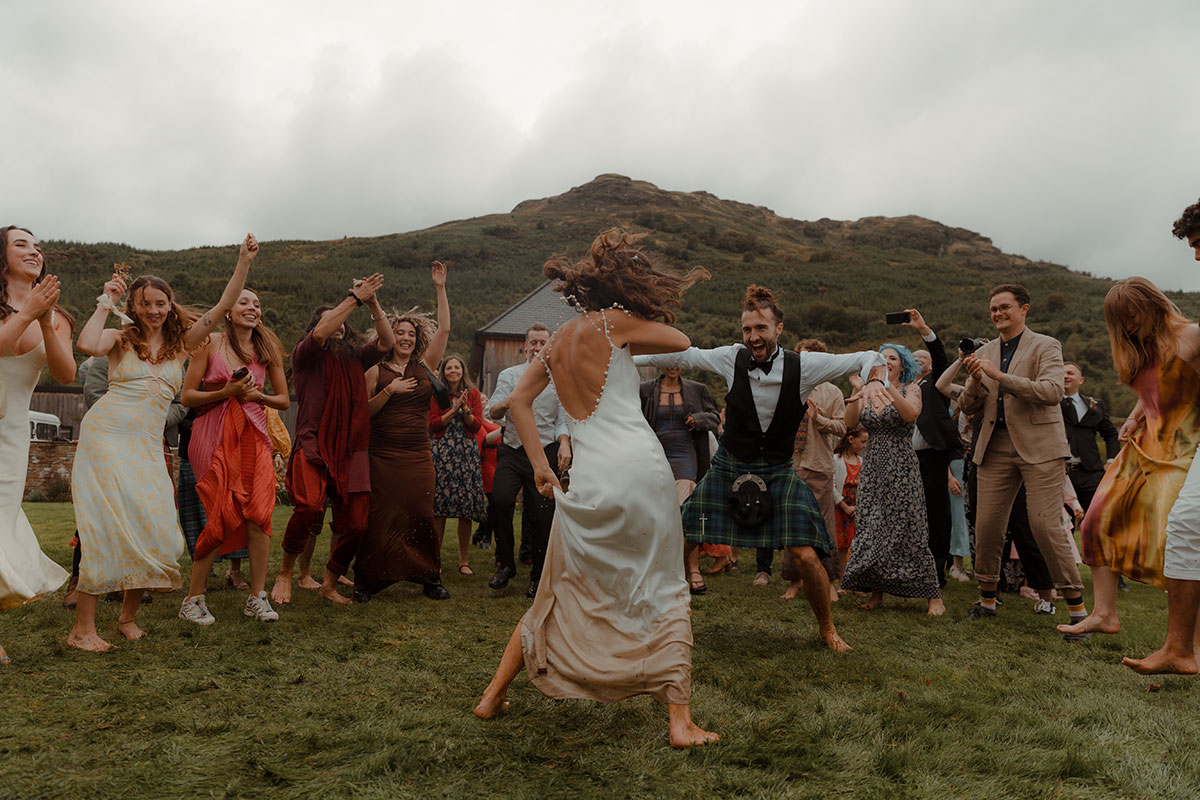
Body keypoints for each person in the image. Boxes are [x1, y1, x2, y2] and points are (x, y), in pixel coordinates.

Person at [474, 229, 718, 748]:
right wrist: (634, 320)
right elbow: (679, 343)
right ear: (620, 288)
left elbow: (517, 402)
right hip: (640, 470)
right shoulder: (615, 325)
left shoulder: (557, 342)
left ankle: (492, 695)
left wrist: (541, 467)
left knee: (555, 591)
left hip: (586, 478)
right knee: (663, 585)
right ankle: (680, 722)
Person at [634, 284, 889, 652]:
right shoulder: (729, 358)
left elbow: (869, 354)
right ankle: (655, 623)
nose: (753, 337)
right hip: (729, 464)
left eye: (761, 329)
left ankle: (828, 630)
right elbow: (682, 355)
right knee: (682, 535)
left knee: (805, 554)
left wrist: (875, 380)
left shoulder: (806, 367)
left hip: (778, 469)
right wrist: (622, 356)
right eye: (747, 330)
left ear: (779, 328)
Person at [69, 234, 259, 652]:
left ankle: (127, 617)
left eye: (161, 303)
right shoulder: (120, 339)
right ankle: (82, 629)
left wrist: (243, 261)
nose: (153, 310)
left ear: (170, 306)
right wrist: (106, 301)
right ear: (134, 307)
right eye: (145, 303)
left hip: (146, 445)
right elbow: (85, 344)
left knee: (153, 526)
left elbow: (222, 308)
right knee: (103, 529)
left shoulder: (183, 346)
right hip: (105, 439)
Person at [1056, 277, 1200, 661]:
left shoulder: (1193, 337)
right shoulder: (1142, 347)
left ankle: (1189, 644)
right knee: (1096, 521)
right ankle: (1104, 614)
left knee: (1177, 541)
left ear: (1152, 303)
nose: (1128, 326)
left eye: (1131, 316)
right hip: (1142, 447)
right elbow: (1151, 391)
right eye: (1119, 321)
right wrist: (1135, 418)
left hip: (1183, 452)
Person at [955, 284, 1090, 635]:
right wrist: (974, 381)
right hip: (994, 445)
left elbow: (1051, 391)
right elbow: (968, 405)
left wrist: (1001, 377)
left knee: (1044, 524)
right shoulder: (985, 351)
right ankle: (987, 601)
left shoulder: (1046, 345)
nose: (997, 314)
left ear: (1024, 309)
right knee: (986, 526)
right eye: (993, 309)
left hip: (1040, 446)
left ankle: (1078, 611)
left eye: (1004, 307)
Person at [270, 272, 395, 606]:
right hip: (314, 444)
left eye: (342, 321)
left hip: (352, 449)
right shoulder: (305, 355)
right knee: (309, 507)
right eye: (331, 320)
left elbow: (386, 342)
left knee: (356, 523)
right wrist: (353, 298)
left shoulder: (356, 357)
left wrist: (372, 302)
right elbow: (323, 331)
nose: (338, 325)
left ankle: (328, 583)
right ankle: (285, 571)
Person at [178, 284, 290, 624]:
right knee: (221, 513)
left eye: (257, 303)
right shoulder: (209, 341)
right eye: (244, 302)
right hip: (213, 432)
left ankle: (257, 597)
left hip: (254, 433)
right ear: (228, 310)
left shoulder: (266, 347)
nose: (252, 307)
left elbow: (283, 399)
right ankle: (193, 599)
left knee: (259, 512)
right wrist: (228, 391)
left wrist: (256, 397)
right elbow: (187, 397)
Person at [0, 225, 74, 663]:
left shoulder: (57, 316)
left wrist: (46, 318)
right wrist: (28, 312)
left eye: (37, 245)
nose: (34, 250)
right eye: (20, 244)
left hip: (12, 434)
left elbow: (66, 374)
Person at [355, 267, 451, 600]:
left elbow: (446, 330)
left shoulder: (424, 365)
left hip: (417, 454)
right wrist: (389, 391)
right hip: (382, 454)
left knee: (421, 512)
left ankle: (429, 576)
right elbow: (364, 413)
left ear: (417, 337)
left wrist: (440, 288)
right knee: (381, 515)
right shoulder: (374, 371)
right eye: (400, 333)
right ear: (390, 337)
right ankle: (369, 580)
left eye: (411, 333)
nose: (406, 338)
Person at [839, 343, 945, 615]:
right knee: (872, 525)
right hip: (873, 464)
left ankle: (934, 596)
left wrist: (885, 385)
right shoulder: (867, 391)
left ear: (903, 364)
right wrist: (857, 388)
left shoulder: (911, 389)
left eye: (892, 358)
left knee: (909, 526)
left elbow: (910, 414)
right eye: (881, 358)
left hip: (901, 464)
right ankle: (877, 593)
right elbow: (850, 422)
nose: (886, 361)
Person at [485, 323, 571, 598]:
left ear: (549, 346)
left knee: (543, 514)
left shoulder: (559, 380)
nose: (537, 347)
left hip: (544, 451)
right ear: (525, 347)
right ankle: (505, 564)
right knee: (499, 500)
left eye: (542, 342)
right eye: (533, 342)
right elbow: (493, 412)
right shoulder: (510, 375)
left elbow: (562, 420)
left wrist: (564, 442)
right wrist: (510, 402)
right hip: (511, 448)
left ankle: (538, 575)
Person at [639, 366, 720, 594]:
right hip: (654, 455)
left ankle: (693, 568)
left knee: (685, 512)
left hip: (686, 454)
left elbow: (715, 417)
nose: (673, 366)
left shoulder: (697, 388)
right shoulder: (645, 389)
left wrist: (699, 418)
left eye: (677, 360)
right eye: (668, 360)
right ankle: (661, 570)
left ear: (682, 363)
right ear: (661, 362)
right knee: (659, 514)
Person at [778, 338, 846, 602]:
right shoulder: (788, 387)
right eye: (801, 357)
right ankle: (795, 581)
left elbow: (842, 427)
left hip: (819, 464)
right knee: (792, 523)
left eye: (809, 357)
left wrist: (818, 419)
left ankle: (829, 581)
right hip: (791, 463)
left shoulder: (832, 391)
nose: (804, 362)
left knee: (824, 525)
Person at [908, 309, 962, 588]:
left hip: (931, 457)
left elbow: (941, 357)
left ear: (929, 366)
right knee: (910, 513)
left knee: (935, 514)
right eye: (913, 358)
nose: (917, 362)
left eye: (922, 359)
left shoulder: (934, 384)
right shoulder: (903, 387)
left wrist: (924, 330)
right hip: (906, 457)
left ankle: (936, 572)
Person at [431, 354, 487, 577]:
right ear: (443, 371)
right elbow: (433, 425)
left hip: (465, 452)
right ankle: (435, 559)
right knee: (439, 509)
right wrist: (452, 411)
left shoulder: (472, 394)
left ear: (463, 370)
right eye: (449, 367)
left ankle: (464, 561)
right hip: (442, 452)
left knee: (465, 510)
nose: (453, 370)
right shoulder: (437, 393)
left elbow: (476, 427)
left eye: (457, 367)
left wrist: (465, 411)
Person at [1061, 362, 1120, 513]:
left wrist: (1111, 461)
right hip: (1061, 474)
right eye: (1062, 373)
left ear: (1081, 380)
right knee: (1064, 525)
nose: (1066, 376)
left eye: (1070, 373)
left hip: (1092, 473)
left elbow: (1111, 434)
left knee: (1100, 518)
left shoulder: (1095, 405)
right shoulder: (1050, 404)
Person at [832, 428, 868, 580]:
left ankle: (855, 581)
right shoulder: (836, 460)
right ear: (851, 439)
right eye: (862, 442)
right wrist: (844, 506)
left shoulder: (862, 462)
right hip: (841, 508)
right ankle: (842, 581)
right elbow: (831, 485)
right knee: (842, 547)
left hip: (858, 509)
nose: (865, 446)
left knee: (858, 546)